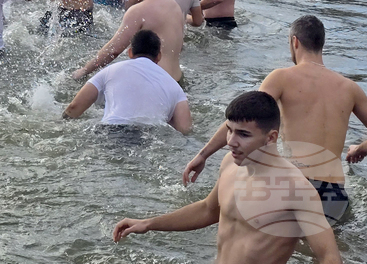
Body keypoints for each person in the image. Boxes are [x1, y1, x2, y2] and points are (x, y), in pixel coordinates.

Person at [183, 16, 367, 225]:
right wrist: (361, 148)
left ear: (295, 42)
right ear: (321, 44)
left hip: (296, 186)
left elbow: (244, 119)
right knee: (327, 252)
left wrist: (203, 155)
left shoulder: (281, 77)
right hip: (334, 193)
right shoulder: (350, 88)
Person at [114, 91, 343, 264]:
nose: (231, 141)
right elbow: (208, 210)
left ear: (271, 138)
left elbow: (329, 256)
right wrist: (149, 223)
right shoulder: (230, 166)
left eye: (243, 134)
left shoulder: (296, 190)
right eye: (229, 130)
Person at [73, 0, 185, 83]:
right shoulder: (175, 6)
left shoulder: (139, 10)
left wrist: (84, 71)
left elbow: (113, 50)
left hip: (155, 83)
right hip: (177, 81)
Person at [64, 30, 191, 133]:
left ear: (130, 52)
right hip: (150, 135)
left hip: (110, 131)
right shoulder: (174, 85)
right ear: (159, 56)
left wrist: (62, 123)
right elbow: (185, 129)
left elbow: (74, 107)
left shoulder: (110, 71)